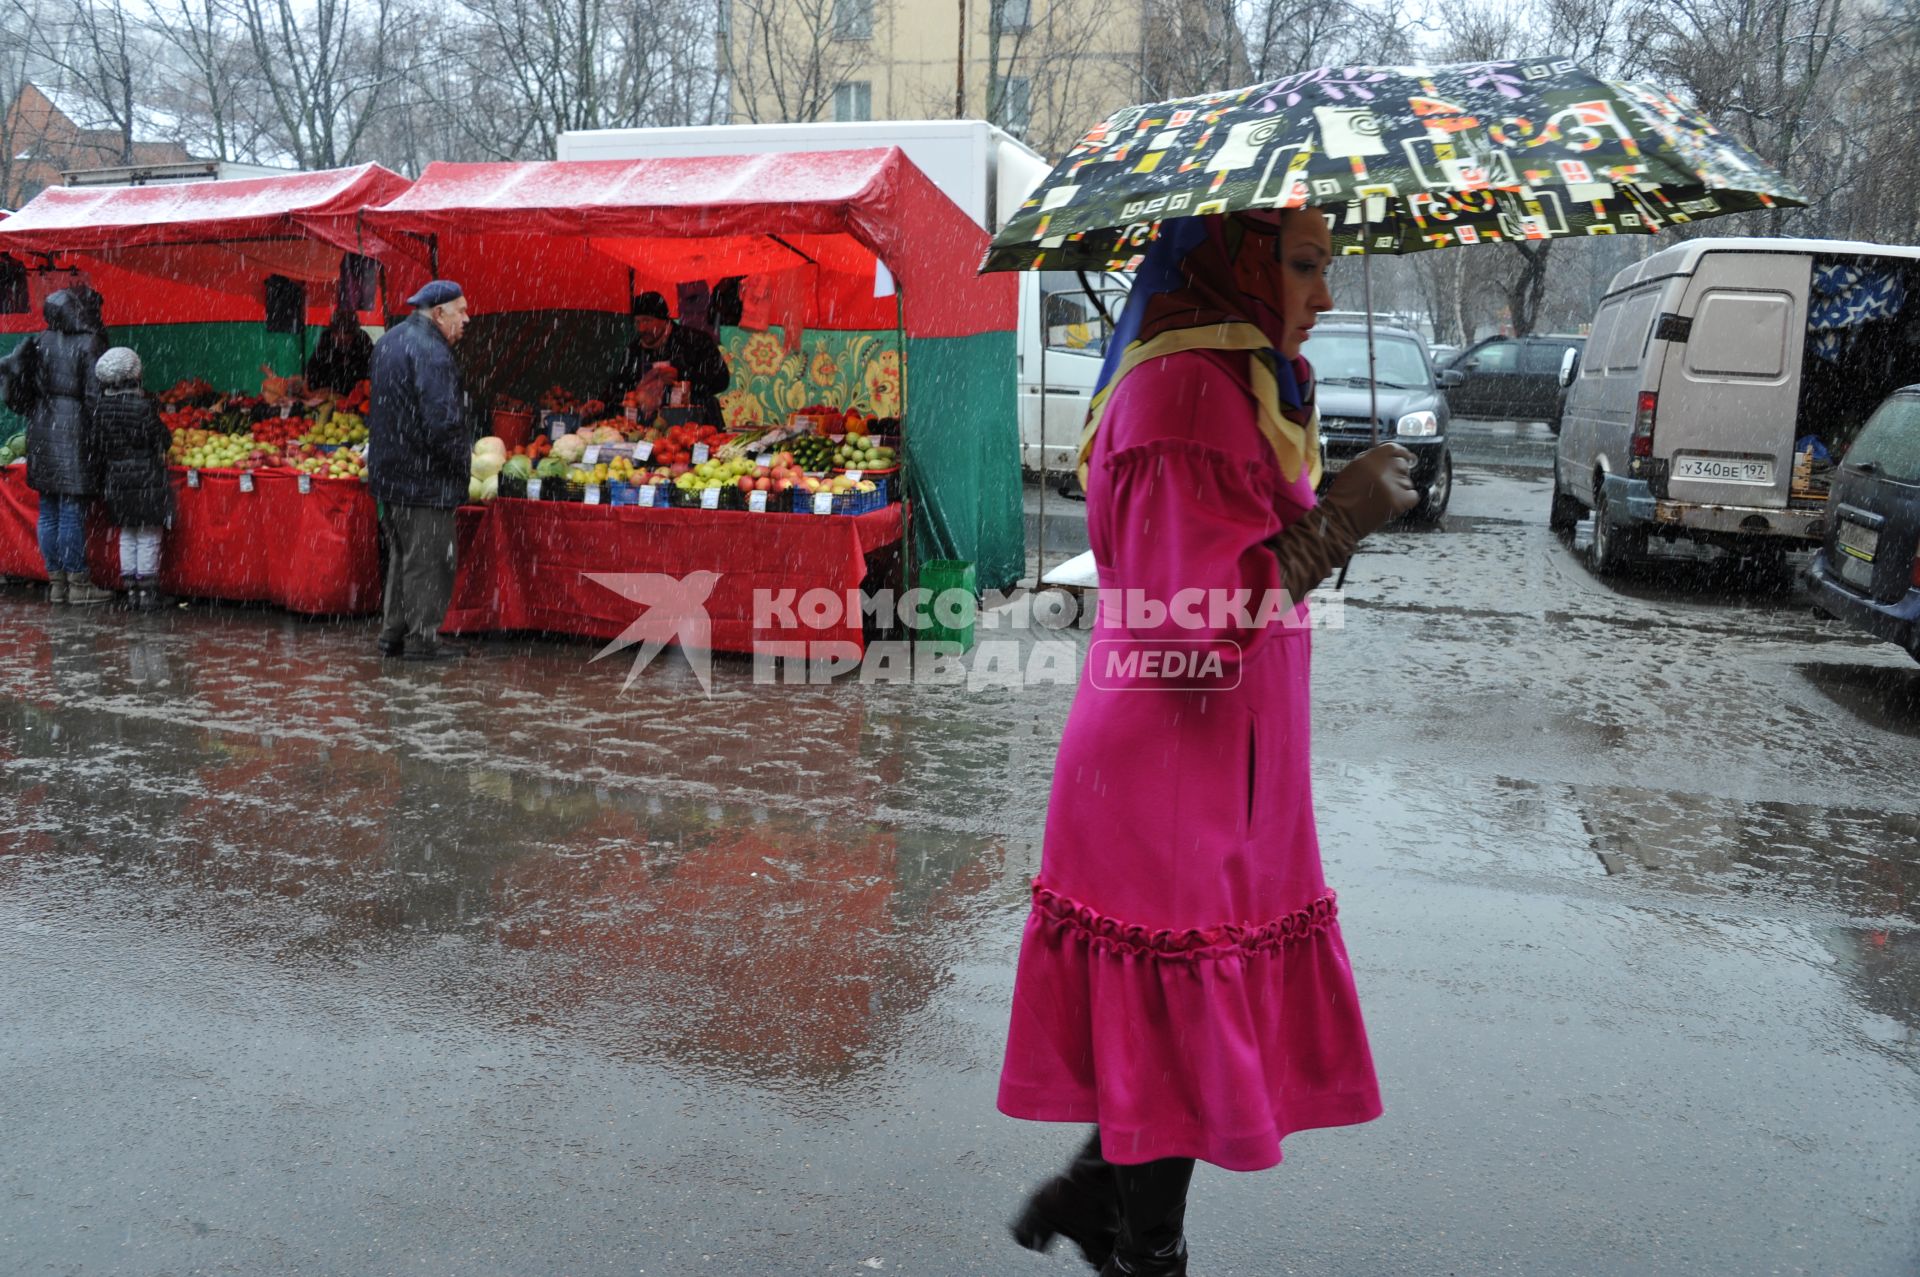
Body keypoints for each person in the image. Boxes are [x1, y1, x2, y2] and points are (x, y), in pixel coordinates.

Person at [998, 210, 1419, 1277]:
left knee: (1180, 1015)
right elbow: (1199, 610)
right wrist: (1341, 520)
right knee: (1179, 1007)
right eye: (1307, 266)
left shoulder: (1231, 380)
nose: (1324, 295)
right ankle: (1145, 1243)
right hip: (1171, 753)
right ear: (1240, 264)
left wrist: (1328, 507)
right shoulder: (1185, 392)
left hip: (1218, 742)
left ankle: (1101, 1195)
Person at [367, 279, 471, 662]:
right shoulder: (432, 351)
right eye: (460, 311)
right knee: (429, 560)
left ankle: (393, 633)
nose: (466, 318)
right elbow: (442, 423)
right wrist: (459, 468)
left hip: (390, 475)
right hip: (424, 478)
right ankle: (422, 640)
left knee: (403, 556)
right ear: (438, 312)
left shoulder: (390, 341)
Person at [0, 289, 111, 605]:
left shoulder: (39, 340)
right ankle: (80, 584)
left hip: (40, 426)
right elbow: (94, 396)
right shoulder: (91, 343)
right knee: (72, 508)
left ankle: (57, 583)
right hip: (74, 430)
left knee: (48, 509)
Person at [92, 347, 173, 611]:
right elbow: (162, 440)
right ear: (134, 375)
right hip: (146, 478)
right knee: (148, 531)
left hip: (115, 479)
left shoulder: (99, 409)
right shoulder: (142, 406)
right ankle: (148, 592)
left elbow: (96, 443)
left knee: (127, 532)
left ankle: (130, 590)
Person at [602, 291, 729, 426]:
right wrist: (602, 402)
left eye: (647, 321)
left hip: (698, 424)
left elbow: (721, 380)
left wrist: (682, 374)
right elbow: (620, 384)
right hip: (649, 429)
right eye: (637, 322)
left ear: (664, 320)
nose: (642, 328)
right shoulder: (634, 350)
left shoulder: (695, 341)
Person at [306, 303, 374, 393]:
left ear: (354, 334)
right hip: (327, 394)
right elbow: (313, 369)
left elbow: (371, 371)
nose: (341, 345)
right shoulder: (326, 338)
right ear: (332, 332)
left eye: (346, 342)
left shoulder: (363, 340)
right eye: (338, 341)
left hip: (357, 395)